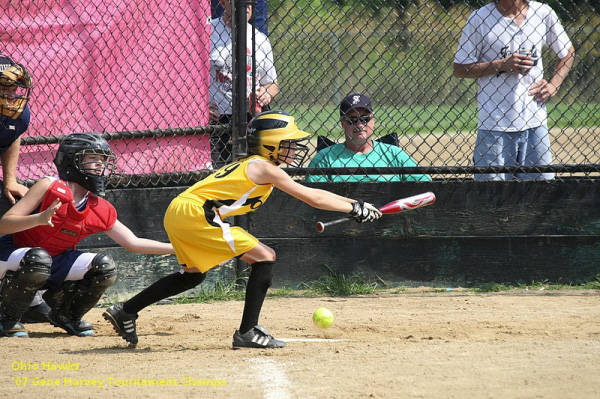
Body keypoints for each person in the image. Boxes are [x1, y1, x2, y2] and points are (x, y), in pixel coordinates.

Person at [103, 111, 382, 349]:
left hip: (180, 211)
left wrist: (356, 204)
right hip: (196, 213)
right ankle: (248, 331)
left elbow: (312, 191)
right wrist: (352, 209)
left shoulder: (257, 166)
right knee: (265, 256)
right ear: (271, 145)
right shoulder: (263, 167)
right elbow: (313, 198)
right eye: (288, 143)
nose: (295, 148)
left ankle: (126, 311)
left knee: (193, 276)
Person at [0, 133, 175, 338]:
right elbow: (4, 225)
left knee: (104, 267)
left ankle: (66, 315)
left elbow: (133, 242)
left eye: (103, 159)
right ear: (71, 160)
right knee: (39, 258)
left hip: (52, 260)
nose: (100, 165)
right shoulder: (49, 186)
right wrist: (38, 219)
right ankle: (7, 318)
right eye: (92, 158)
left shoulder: (98, 207)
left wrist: (177, 249)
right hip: (12, 253)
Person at [453, 0, 575, 181]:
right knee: (490, 197)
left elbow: (567, 52)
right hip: (493, 124)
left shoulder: (542, 13)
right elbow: (460, 68)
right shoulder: (479, 18)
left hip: (535, 121)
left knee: (541, 192)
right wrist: (501, 65)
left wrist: (554, 84)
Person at [208, 0, 279, 167]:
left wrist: (267, 93)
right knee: (219, 173)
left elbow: (272, 83)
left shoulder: (260, 39)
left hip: (251, 119)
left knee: (255, 170)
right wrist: (197, 106)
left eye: (250, 2)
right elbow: (187, 77)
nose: (247, 5)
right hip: (218, 119)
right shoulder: (208, 31)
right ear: (224, 3)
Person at [306, 94, 431, 183]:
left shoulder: (394, 154)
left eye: (365, 119)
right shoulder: (325, 158)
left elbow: (425, 185)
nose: (359, 124)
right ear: (343, 124)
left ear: (373, 121)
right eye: (352, 120)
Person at [0, 56, 33, 209]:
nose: (10, 96)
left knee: (18, 203)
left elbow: (11, 136)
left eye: (13, 89)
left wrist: (10, 180)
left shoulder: (19, 112)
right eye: (3, 89)